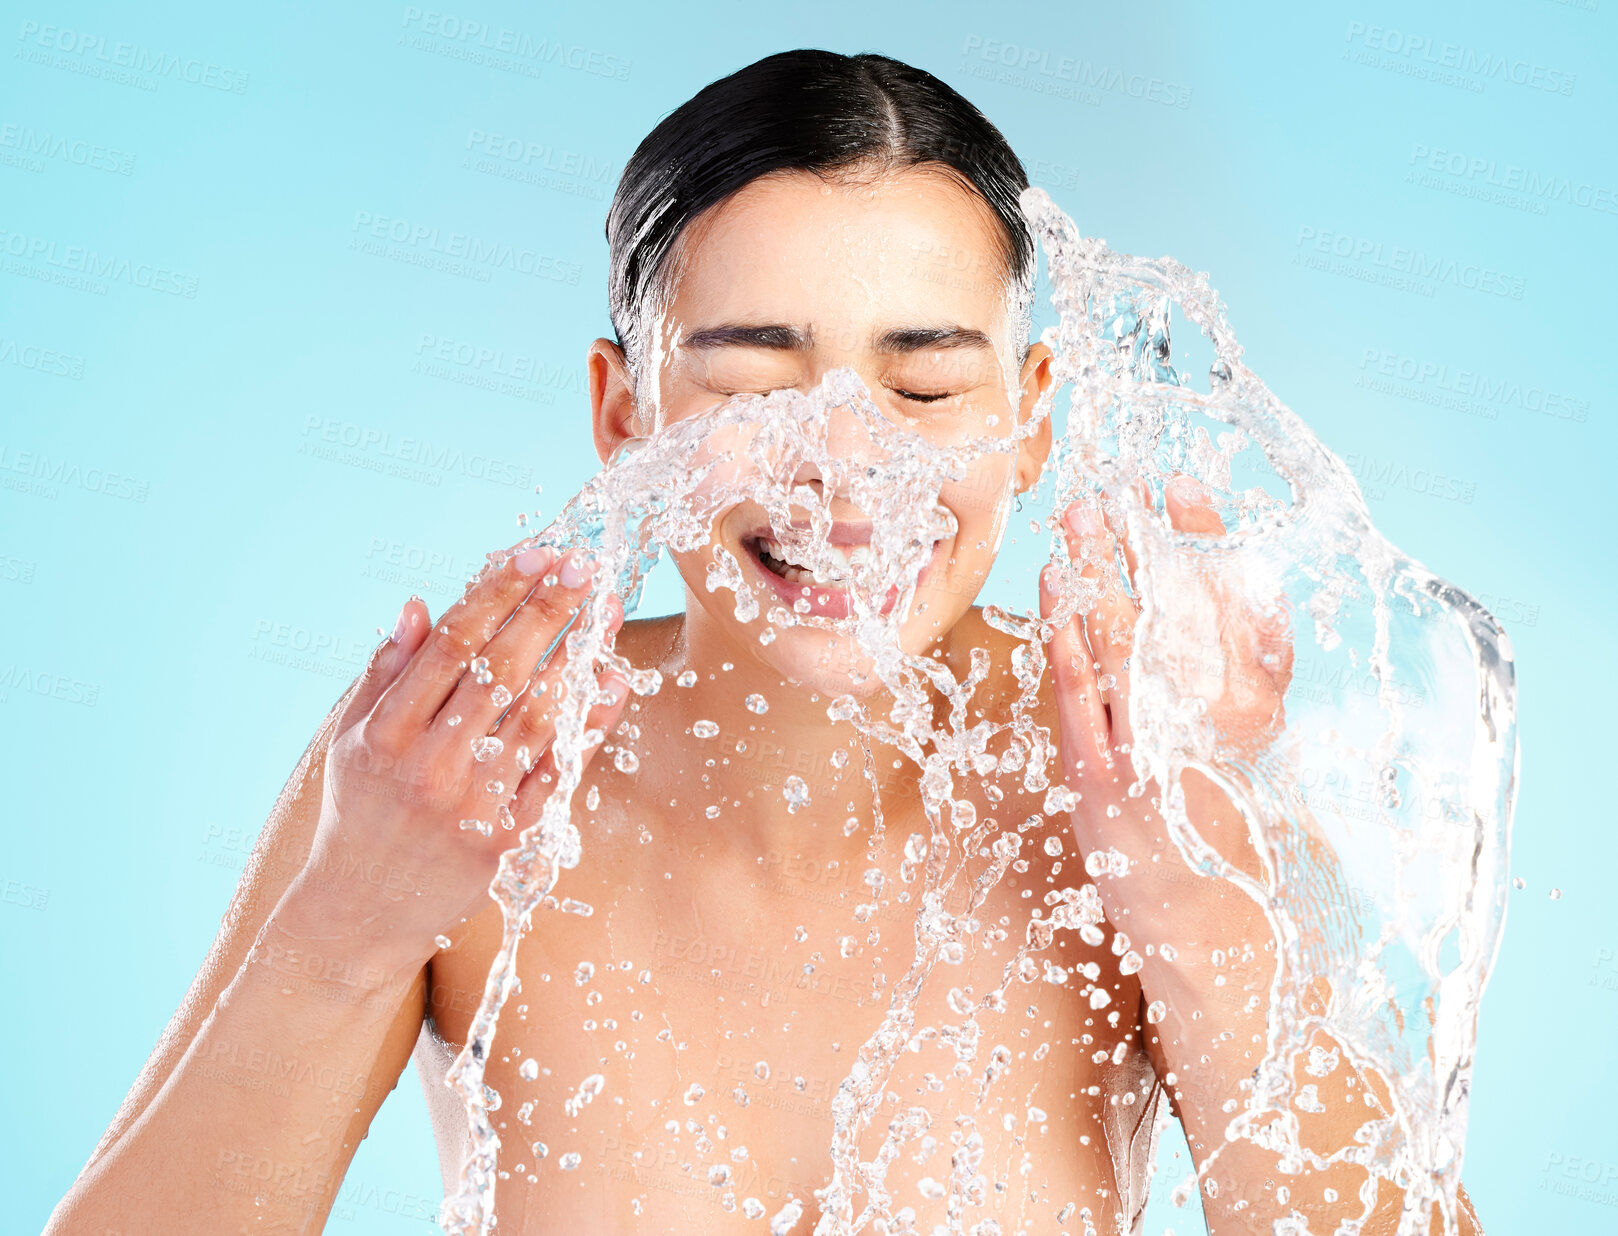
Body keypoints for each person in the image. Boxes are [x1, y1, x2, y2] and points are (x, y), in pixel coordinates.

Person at [46, 49, 1482, 1235]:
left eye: (923, 385)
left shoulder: (1143, 782)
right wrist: (343, 930)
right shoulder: (462, 776)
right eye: (749, 381)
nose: (842, 473)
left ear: (1033, 413)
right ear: (624, 416)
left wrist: (1200, 904)